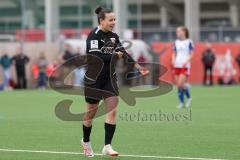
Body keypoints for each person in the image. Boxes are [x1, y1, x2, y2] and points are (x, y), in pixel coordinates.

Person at [81, 6, 148, 157]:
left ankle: (107, 146)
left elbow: (123, 53)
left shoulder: (113, 36)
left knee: (113, 110)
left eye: (114, 19)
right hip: (94, 80)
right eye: (110, 20)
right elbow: (96, 57)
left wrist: (139, 67)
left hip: (109, 79)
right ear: (102, 21)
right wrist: (114, 55)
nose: (113, 22)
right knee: (90, 114)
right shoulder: (93, 36)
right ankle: (86, 141)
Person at [172, 26, 194, 108]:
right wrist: (173, 60)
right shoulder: (176, 42)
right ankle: (183, 101)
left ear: (184, 32)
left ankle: (187, 99)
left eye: (179, 31)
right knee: (179, 85)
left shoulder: (189, 42)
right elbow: (174, 53)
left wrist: (187, 61)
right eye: (177, 31)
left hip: (185, 66)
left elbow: (192, 54)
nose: (177, 33)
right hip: (177, 65)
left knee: (180, 84)